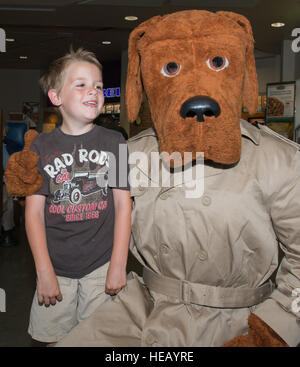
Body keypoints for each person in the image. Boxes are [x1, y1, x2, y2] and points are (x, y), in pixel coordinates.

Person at [25, 48, 131, 345]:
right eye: (81, 84)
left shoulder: (116, 142)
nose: (94, 91)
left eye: (98, 85)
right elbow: (33, 213)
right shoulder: (40, 147)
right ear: (56, 97)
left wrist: (119, 265)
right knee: (53, 339)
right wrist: (44, 271)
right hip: (55, 266)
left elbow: (124, 205)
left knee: (99, 339)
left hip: (102, 264)